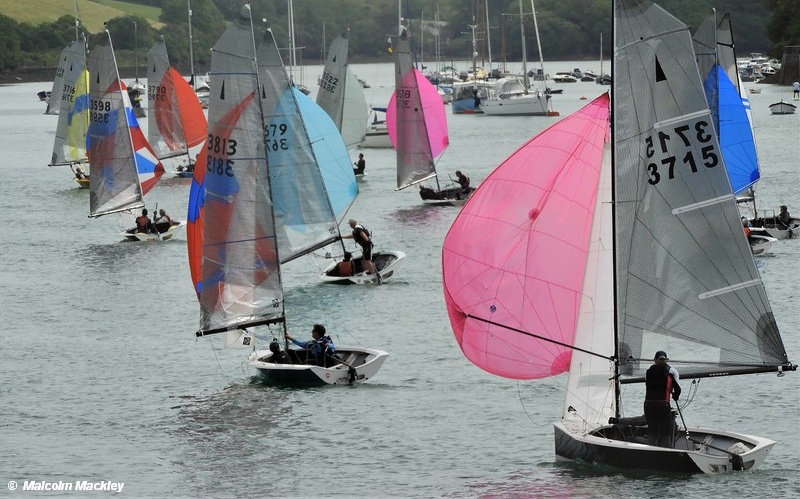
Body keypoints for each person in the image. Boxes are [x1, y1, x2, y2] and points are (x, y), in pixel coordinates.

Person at [643, 350, 681, 448]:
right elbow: (678, 389)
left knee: (653, 433)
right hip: (663, 405)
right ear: (666, 360)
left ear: (655, 360)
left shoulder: (648, 371)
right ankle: (667, 456)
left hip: (648, 405)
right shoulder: (671, 370)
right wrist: (675, 396)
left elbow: (648, 385)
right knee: (665, 435)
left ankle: (651, 455)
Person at [341, 219, 381, 283]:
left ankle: (373, 274)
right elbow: (352, 236)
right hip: (365, 246)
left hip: (367, 245)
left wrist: (367, 241)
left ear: (352, 224)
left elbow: (362, 233)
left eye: (350, 224)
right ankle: (367, 272)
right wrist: (342, 237)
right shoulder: (356, 229)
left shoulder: (357, 229)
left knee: (368, 260)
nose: (350, 226)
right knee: (363, 260)